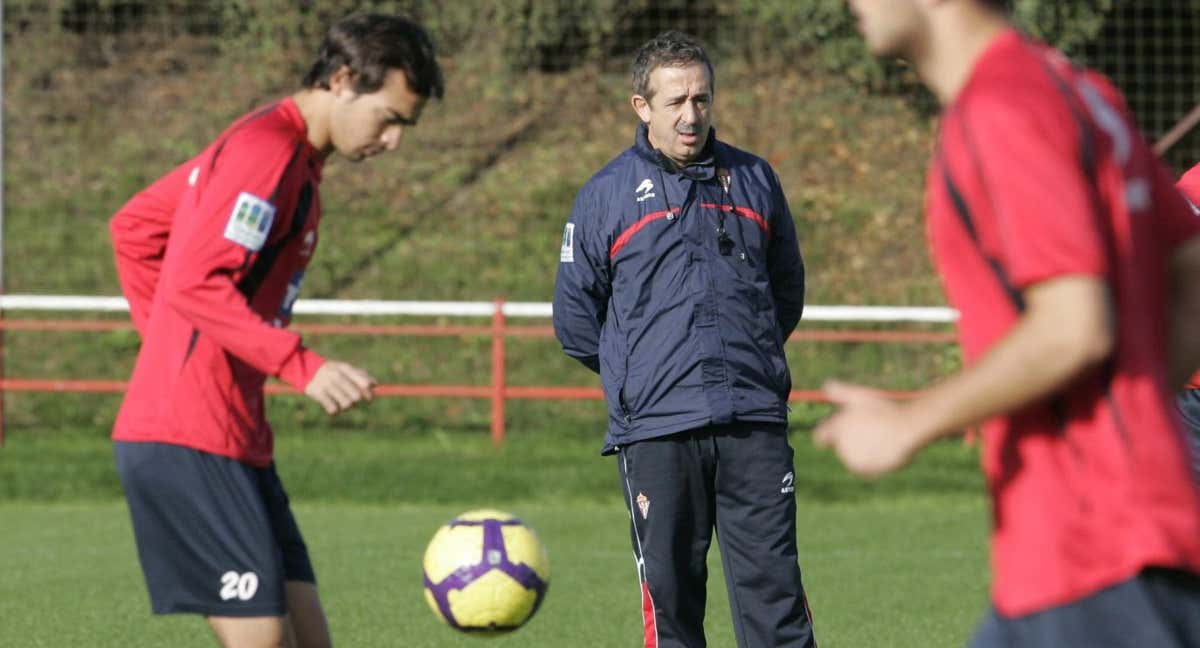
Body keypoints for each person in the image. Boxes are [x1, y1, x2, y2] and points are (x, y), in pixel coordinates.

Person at [816, 1, 1200, 646]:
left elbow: (1072, 326)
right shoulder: (1080, 91)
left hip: (1094, 561)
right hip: (1092, 553)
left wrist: (909, 423)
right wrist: (1134, 410)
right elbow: (1191, 273)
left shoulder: (1000, 107)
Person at [108, 13, 443, 648]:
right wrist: (302, 365)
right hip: (188, 439)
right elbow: (196, 282)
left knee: (308, 638)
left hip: (235, 436)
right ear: (342, 80)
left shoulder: (290, 162)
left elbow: (135, 230)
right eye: (390, 118)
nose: (394, 141)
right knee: (262, 638)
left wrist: (176, 350)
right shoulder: (266, 153)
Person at [553, 30, 816, 648]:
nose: (691, 115)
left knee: (777, 602)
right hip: (657, 431)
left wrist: (749, 357)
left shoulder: (755, 179)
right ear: (641, 106)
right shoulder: (604, 196)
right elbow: (575, 321)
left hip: (753, 422)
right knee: (672, 607)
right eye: (675, 101)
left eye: (701, 98)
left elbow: (786, 291)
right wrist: (642, 374)